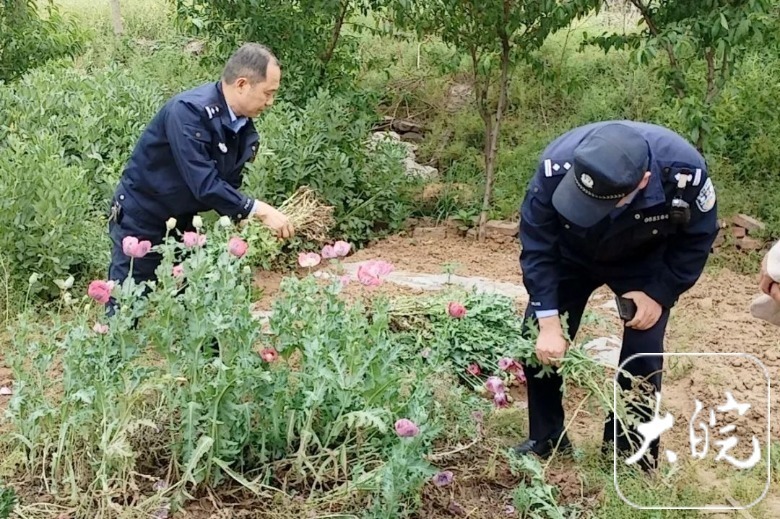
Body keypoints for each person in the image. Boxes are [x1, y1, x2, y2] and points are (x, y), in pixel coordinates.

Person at [514, 120, 719, 471]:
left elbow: (698, 238)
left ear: (642, 182)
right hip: (572, 253)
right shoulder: (556, 165)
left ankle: (628, 456)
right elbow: (537, 245)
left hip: (643, 260)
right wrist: (548, 321)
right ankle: (547, 438)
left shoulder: (684, 173)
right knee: (536, 340)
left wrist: (660, 292)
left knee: (642, 355)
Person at [105, 43, 293, 307]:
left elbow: (226, 183)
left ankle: (204, 349)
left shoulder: (241, 125)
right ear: (242, 84)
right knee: (127, 302)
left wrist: (240, 218)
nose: (270, 102)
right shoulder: (189, 112)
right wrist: (257, 210)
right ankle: (113, 345)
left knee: (200, 303)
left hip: (185, 223)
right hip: (144, 217)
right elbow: (204, 183)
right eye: (268, 93)